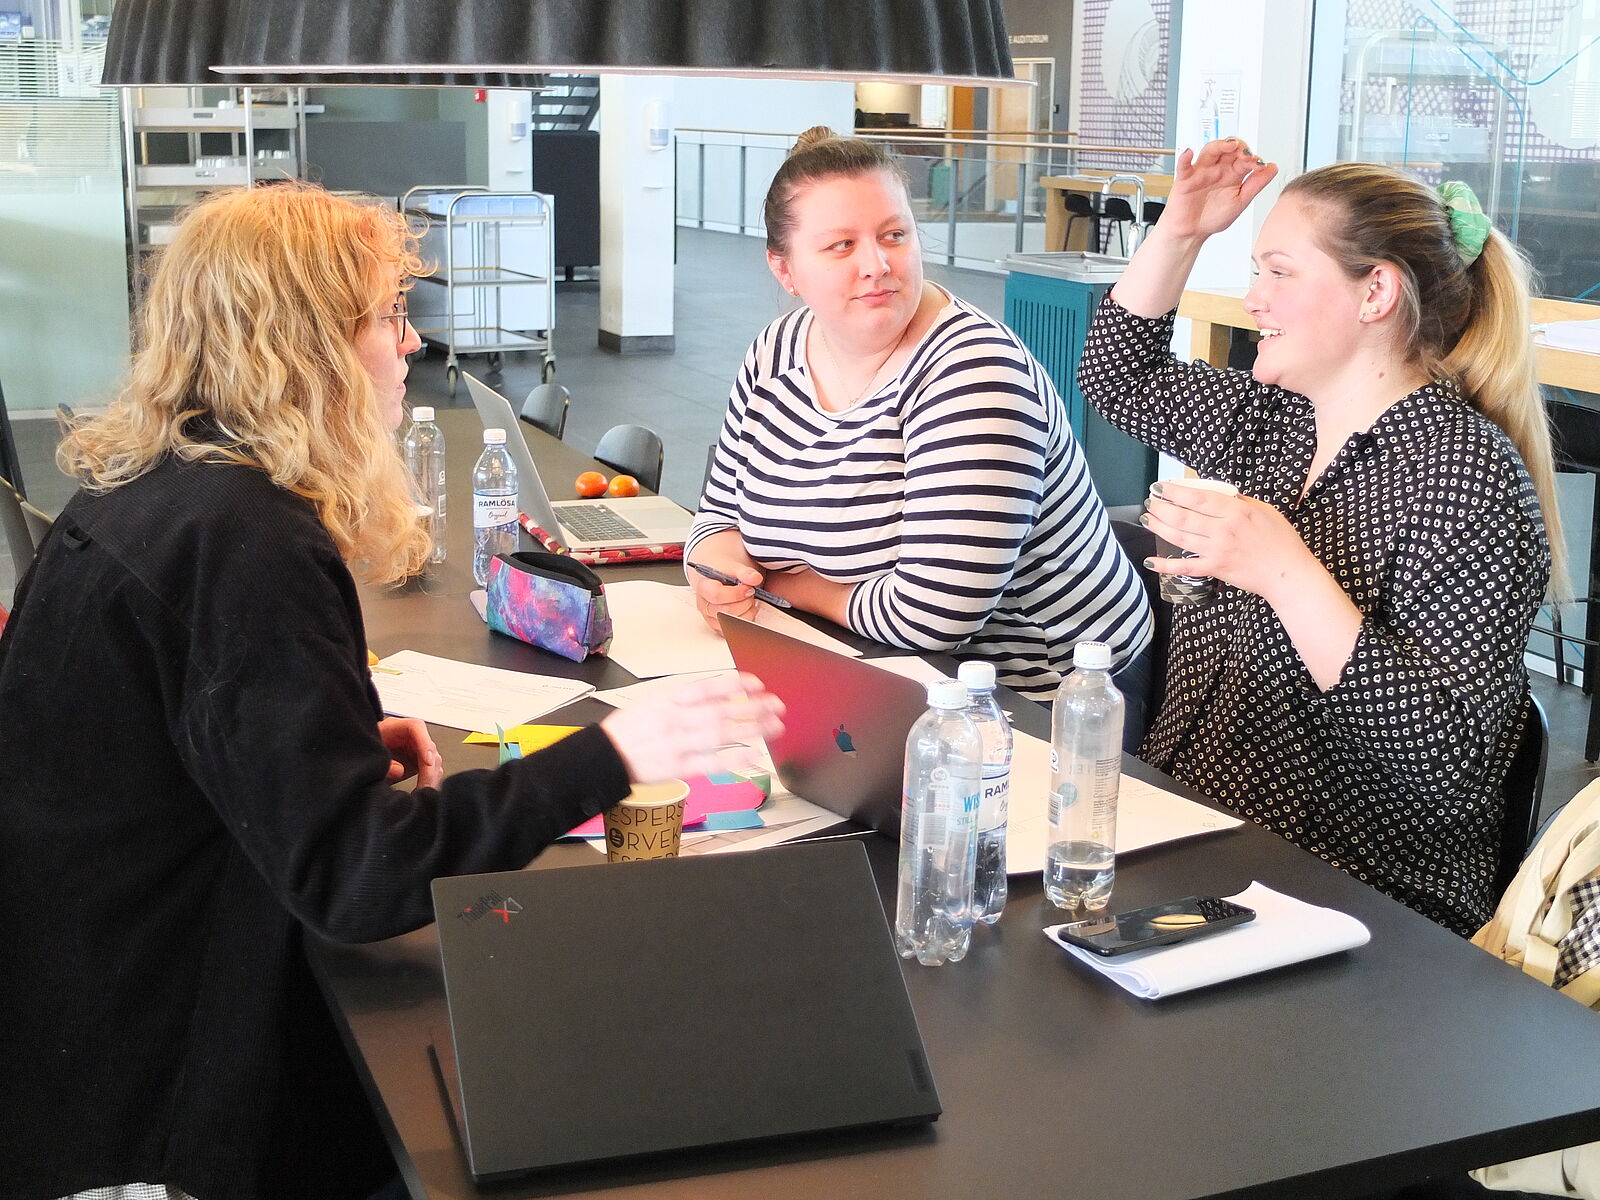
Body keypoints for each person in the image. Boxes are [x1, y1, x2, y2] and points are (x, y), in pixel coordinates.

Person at [0, 183, 783, 1200]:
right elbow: (359, 879)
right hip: (158, 1096)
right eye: (387, 316)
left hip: (75, 1022)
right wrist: (611, 754)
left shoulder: (153, 485)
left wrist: (332, 740)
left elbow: (168, 741)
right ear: (305, 347)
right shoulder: (245, 543)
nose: (412, 344)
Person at [1079, 138, 1559, 936]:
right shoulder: (1278, 421)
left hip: (1351, 897)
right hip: (1196, 838)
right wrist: (1180, 230)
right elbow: (1117, 376)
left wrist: (1287, 573)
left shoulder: (1467, 477)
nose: (1253, 299)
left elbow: (1446, 762)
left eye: (1279, 272)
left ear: (1376, 293)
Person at [688, 126, 1153, 725]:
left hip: (1043, 697)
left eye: (895, 235)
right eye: (841, 246)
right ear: (785, 269)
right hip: (866, 664)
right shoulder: (775, 350)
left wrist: (782, 587)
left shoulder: (974, 372)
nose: (877, 265)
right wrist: (716, 566)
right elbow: (718, 512)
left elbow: (936, 616)